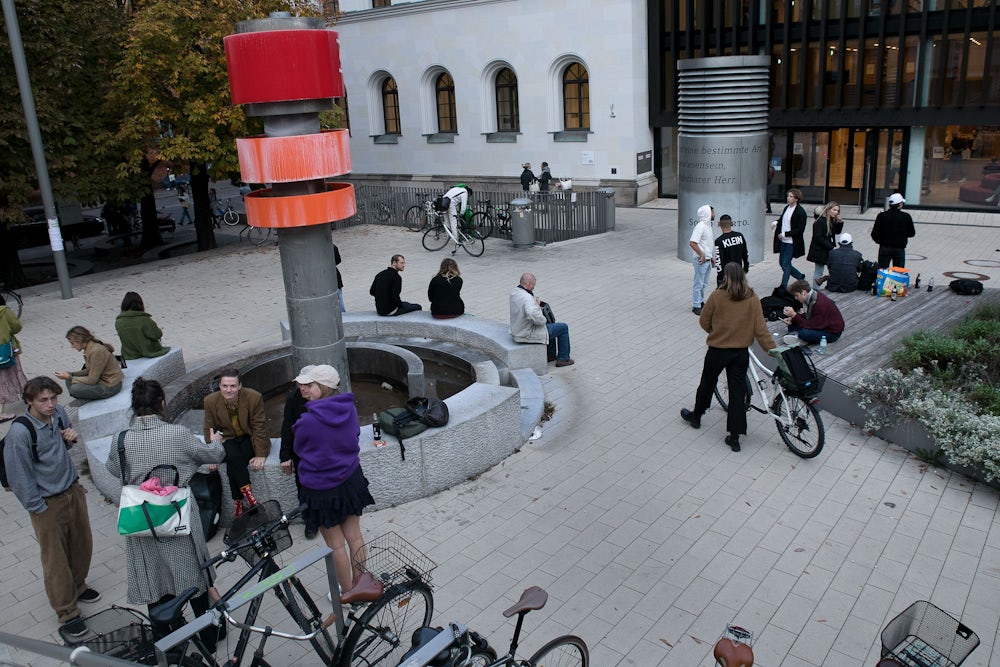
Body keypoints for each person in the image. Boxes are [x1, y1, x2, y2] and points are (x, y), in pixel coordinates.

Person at [106, 377, 226, 648]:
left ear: (134, 407)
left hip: (141, 518)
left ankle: (165, 640)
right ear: (162, 404)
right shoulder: (177, 434)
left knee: (152, 579)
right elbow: (211, 457)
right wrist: (217, 441)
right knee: (192, 576)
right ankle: (208, 636)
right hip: (177, 515)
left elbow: (114, 470)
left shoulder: (121, 439)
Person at [3, 377, 98, 637]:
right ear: (29, 402)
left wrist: (70, 439)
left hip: (72, 490)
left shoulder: (58, 414)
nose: (50, 404)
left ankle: (78, 587)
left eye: (54, 398)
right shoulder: (20, 433)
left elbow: (62, 447)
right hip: (47, 503)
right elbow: (18, 476)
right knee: (55, 559)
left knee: (82, 545)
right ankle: (67, 613)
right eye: (43, 400)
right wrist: (38, 508)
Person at [291, 365, 374, 593]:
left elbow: (299, 449)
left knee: (336, 545)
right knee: (355, 537)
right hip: (350, 480)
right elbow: (355, 436)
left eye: (309, 385)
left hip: (321, 489)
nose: (302, 389)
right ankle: (361, 586)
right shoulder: (349, 409)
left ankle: (347, 595)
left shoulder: (306, 422)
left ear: (323, 388)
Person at [680, 263, 777, 452]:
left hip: (717, 350)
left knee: (707, 383)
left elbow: (703, 321)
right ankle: (735, 436)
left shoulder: (717, 296)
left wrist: (716, 332)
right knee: (737, 392)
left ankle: (697, 416)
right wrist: (773, 351)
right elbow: (761, 330)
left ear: (725, 277)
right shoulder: (752, 298)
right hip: (740, 353)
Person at [203, 368, 269, 517]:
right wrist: (211, 454)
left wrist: (260, 454)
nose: (229, 390)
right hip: (228, 439)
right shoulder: (210, 401)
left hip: (249, 438)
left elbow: (259, 427)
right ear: (219, 386)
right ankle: (250, 499)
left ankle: (238, 505)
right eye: (225, 386)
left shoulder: (254, 397)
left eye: (233, 386)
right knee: (232, 452)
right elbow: (209, 429)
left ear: (240, 386)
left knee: (234, 460)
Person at [279, 368, 316, 540]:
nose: (302, 388)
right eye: (300, 384)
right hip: (301, 451)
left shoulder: (326, 399)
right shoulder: (293, 398)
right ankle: (309, 519)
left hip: (321, 450)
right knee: (302, 484)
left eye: (307, 384)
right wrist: (284, 456)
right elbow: (287, 426)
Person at [509, 272, 574, 367]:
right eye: (533, 285)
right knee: (562, 327)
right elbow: (534, 315)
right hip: (526, 333)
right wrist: (539, 310)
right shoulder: (527, 298)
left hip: (517, 329)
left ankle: (550, 355)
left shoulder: (514, 292)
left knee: (551, 327)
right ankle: (563, 359)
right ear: (528, 284)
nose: (534, 287)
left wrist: (535, 305)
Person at [55, 326, 124, 400]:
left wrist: (70, 377)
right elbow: (89, 370)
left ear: (79, 341)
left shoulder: (96, 351)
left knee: (75, 389)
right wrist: (72, 374)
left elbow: (92, 380)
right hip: (103, 380)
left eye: (72, 343)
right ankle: (83, 396)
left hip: (110, 386)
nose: (72, 346)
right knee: (69, 379)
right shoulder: (90, 348)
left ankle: (84, 396)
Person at [782, 280, 845, 346]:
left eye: (797, 295)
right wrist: (792, 318)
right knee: (792, 325)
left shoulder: (818, 303)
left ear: (803, 292)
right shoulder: (813, 296)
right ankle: (802, 338)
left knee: (803, 333)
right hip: (820, 325)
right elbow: (809, 315)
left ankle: (803, 339)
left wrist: (794, 315)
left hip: (832, 333)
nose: (795, 298)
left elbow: (810, 325)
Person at [115, 292, 170, 360]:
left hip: (128, 355)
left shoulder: (118, 321)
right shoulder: (144, 319)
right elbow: (158, 334)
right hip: (147, 352)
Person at [772, 188, 807, 289]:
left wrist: (785, 234)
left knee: (786, 264)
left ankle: (783, 286)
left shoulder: (801, 212)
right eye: (788, 196)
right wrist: (776, 222)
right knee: (782, 263)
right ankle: (800, 276)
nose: (788, 198)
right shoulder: (786, 208)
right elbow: (783, 219)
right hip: (783, 241)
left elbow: (800, 230)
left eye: (791, 196)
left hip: (792, 242)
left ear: (796, 199)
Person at [0, 292, 27, 421]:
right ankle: (28, 395)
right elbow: (17, 327)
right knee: (16, 372)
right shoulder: (4, 311)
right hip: (7, 350)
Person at [871, 192, 916, 268]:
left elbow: (874, 234)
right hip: (899, 249)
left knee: (883, 272)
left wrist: (881, 242)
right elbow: (912, 233)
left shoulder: (881, 216)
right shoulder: (906, 216)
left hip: (884, 248)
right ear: (899, 204)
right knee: (898, 272)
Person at [806, 201, 843, 287]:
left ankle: (828, 285)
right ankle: (816, 290)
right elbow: (818, 238)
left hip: (828, 249)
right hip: (820, 250)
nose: (836, 212)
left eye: (837, 211)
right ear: (828, 210)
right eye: (834, 210)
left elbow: (836, 232)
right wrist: (831, 247)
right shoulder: (820, 221)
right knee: (819, 271)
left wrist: (840, 222)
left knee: (833, 269)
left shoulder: (831, 220)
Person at [689, 204, 715, 315]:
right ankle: (696, 305)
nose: (714, 214)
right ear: (708, 213)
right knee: (698, 283)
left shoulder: (708, 225)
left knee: (704, 283)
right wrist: (702, 255)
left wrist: (710, 256)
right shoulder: (700, 226)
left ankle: (700, 301)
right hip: (701, 261)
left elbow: (706, 244)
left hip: (707, 260)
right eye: (712, 212)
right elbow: (692, 243)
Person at [713, 214, 749, 287]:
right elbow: (745, 253)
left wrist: (720, 277)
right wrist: (745, 268)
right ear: (732, 223)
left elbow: (719, 261)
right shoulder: (740, 236)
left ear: (719, 224)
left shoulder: (719, 241)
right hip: (738, 272)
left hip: (727, 275)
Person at [334, 244, 345, 312]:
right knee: (339, 297)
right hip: (335, 274)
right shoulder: (333, 246)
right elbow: (338, 260)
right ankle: (343, 314)